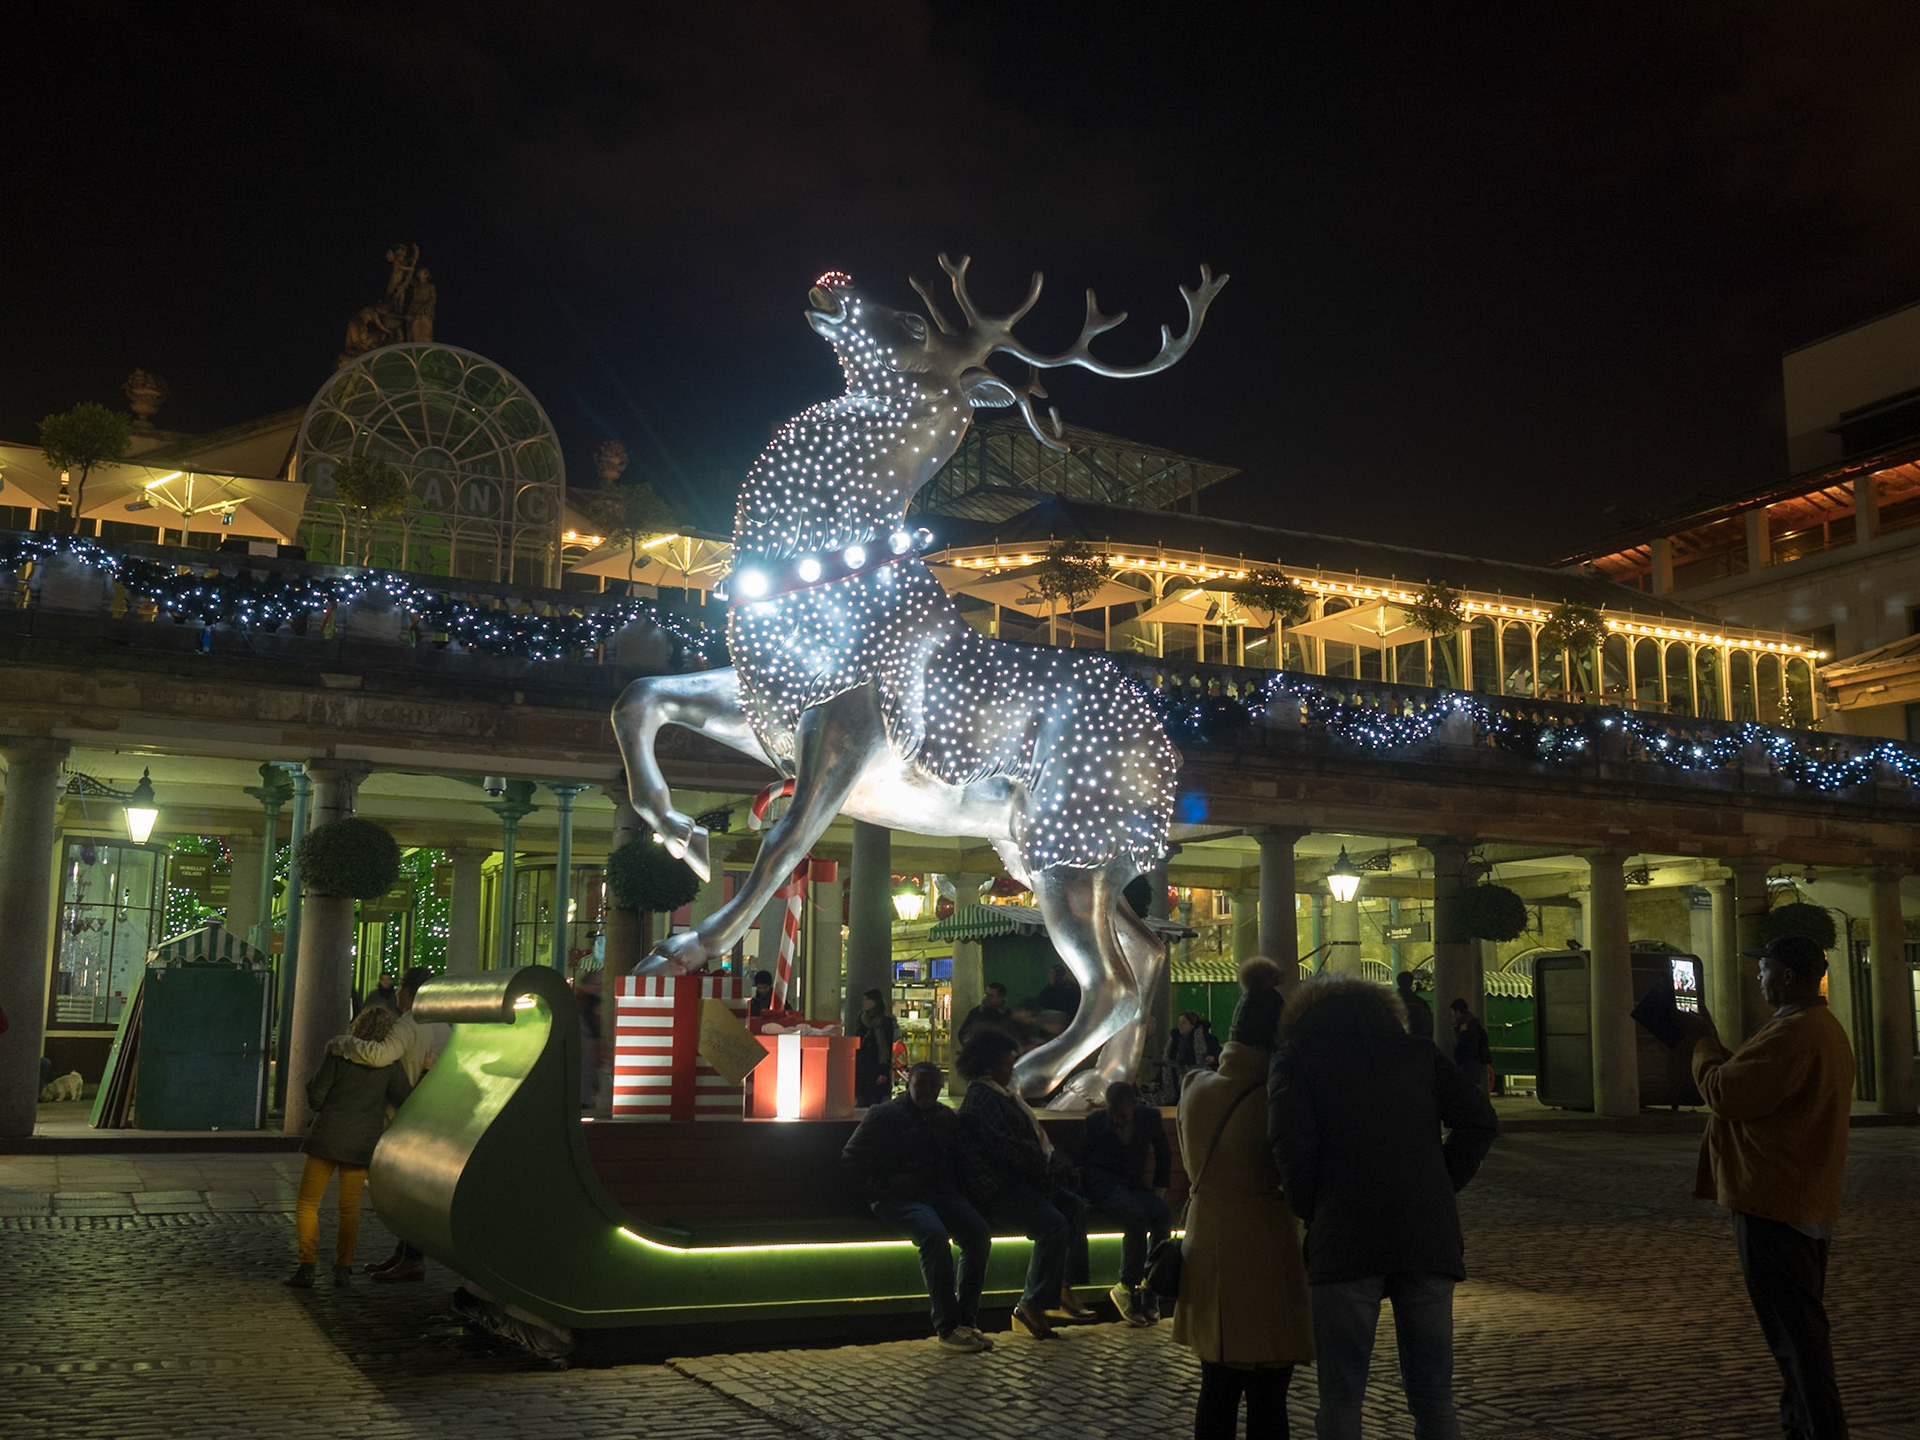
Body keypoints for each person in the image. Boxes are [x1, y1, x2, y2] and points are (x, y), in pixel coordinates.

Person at [1269, 973, 1499, 1440]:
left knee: (1341, 1398)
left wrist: (1316, 1207)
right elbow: (1479, 1121)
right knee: (1434, 1396)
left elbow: (1290, 1147)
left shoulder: (1297, 1058)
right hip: (1426, 1234)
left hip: (1344, 1235)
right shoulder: (1420, 1055)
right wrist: (1441, 1182)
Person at [1681, 935, 1854, 1440]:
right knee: (1796, 1338)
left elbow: (1725, 1093)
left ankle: (1820, 1430)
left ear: (1787, 977)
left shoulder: (1796, 1031)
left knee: (1798, 1342)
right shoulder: (1815, 1028)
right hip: (1800, 1195)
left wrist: (1702, 1045)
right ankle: (1801, 1427)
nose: (1758, 978)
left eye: (1764, 969)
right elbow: (1759, 1085)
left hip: (1775, 1198)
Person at [1174, 957, 1314, 1440]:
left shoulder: (1195, 1087)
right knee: (1270, 1389)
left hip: (1207, 1238)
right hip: (1263, 1246)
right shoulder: (1278, 1096)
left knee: (1217, 1382)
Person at [842, 1060, 994, 1354]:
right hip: (898, 1199)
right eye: (920, 1084)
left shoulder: (944, 1117)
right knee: (934, 1237)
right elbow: (852, 1158)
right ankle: (949, 1326)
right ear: (908, 1084)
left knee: (978, 1234)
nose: (926, 1091)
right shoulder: (883, 1115)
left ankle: (966, 1321)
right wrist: (882, 1190)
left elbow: (957, 1160)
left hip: (935, 1194)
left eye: (932, 1086)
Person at [955, 1028, 1091, 1340]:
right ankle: (1032, 1304)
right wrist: (1049, 1169)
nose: (1011, 1070)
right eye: (1007, 1064)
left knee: (1074, 1207)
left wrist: (1052, 1168)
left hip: (1016, 1183)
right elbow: (1009, 1149)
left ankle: (1059, 1289)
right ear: (990, 1066)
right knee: (1053, 1225)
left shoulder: (997, 1095)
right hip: (996, 1191)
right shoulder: (983, 1100)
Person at [327, 966, 450, 1282]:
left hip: (406, 1116)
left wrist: (343, 1043)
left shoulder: (410, 1023)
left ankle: (412, 1258)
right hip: (434, 1114)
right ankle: (404, 1254)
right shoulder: (444, 1026)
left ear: (408, 993)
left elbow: (381, 1055)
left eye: (399, 988)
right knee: (413, 1189)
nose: (395, 993)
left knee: (405, 1192)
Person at [290, 1004, 411, 1289]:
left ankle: (307, 1266)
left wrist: (311, 1084)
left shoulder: (338, 1056)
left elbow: (317, 1099)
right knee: (349, 1208)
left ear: (358, 1026)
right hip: (361, 1144)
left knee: (307, 1204)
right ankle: (343, 1269)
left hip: (327, 1138)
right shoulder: (391, 1067)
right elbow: (404, 1099)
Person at [1080, 1080, 1172, 1326]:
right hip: (1105, 1185)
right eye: (1112, 1114)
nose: (1117, 1120)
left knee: (1162, 1214)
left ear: (1133, 1105)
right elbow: (1085, 1163)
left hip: (1132, 1185)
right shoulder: (1095, 1122)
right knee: (1136, 1217)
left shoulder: (1149, 1118)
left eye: (1121, 1115)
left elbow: (1164, 1154)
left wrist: (1159, 1190)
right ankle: (1126, 1286)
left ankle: (1151, 1286)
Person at [853, 988, 897, 1107]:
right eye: (864, 1000)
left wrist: (883, 1069)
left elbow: (885, 1046)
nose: (864, 1003)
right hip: (862, 1063)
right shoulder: (861, 1019)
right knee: (862, 1098)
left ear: (876, 1002)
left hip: (877, 1064)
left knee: (876, 1098)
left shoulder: (885, 1021)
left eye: (868, 1000)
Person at [1450, 997, 1490, 1093]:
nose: (1452, 1015)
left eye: (1453, 1012)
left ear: (1458, 1012)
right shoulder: (1471, 1023)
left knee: (1470, 1087)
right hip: (1472, 1062)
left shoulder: (1467, 1026)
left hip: (1470, 1062)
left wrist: (1461, 1033)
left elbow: (1468, 1045)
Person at [1397, 972, 1434, 1042]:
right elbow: (1429, 1027)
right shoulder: (1421, 1003)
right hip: (1418, 1043)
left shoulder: (1389, 1003)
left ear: (1398, 982)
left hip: (1395, 1045)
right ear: (1411, 983)